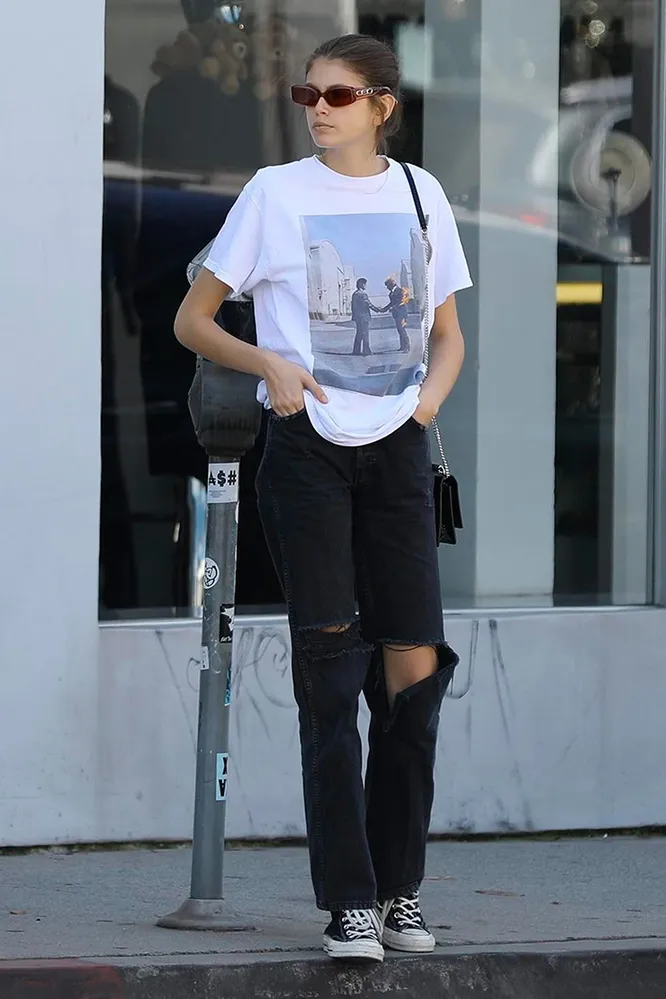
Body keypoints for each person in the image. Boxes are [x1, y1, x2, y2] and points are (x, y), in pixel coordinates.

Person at [174, 33, 471, 963]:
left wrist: (426, 403)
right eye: (308, 93)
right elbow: (193, 318)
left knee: (413, 672)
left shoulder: (420, 193)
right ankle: (349, 901)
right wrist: (268, 362)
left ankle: (400, 889)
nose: (318, 109)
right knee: (332, 676)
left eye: (338, 95)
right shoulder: (274, 193)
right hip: (306, 454)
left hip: (398, 455)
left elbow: (449, 332)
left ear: (382, 106)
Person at [351, 277, 381, 355]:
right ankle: (366, 351)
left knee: (359, 334)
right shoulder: (362, 294)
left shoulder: (354, 294)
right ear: (361, 284)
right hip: (364, 317)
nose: (365, 286)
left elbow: (353, 307)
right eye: (365, 284)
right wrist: (377, 309)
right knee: (365, 334)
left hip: (357, 317)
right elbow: (368, 304)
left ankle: (356, 351)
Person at [382, 275, 411, 353]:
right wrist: (383, 309)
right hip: (397, 314)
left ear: (391, 284)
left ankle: (407, 347)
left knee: (402, 330)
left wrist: (393, 307)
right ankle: (402, 346)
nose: (387, 287)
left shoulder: (400, 290)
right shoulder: (391, 293)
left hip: (402, 313)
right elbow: (391, 303)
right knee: (400, 330)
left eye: (387, 285)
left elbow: (402, 301)